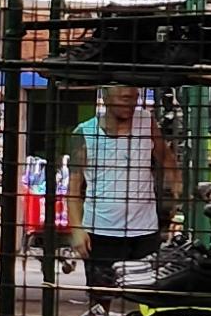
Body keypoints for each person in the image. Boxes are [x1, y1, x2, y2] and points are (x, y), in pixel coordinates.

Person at [72, 82, 176, 284]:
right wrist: (77, 229)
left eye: (134, 98)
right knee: (103, 292)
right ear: (106, 98)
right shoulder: (84, 132)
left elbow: (166, 159)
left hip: (144, 230)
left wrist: (176, 193)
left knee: (145, 292)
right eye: (124, 98)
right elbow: (73, 190)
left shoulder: (146, 122)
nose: (130, 104)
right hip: (100, 231)